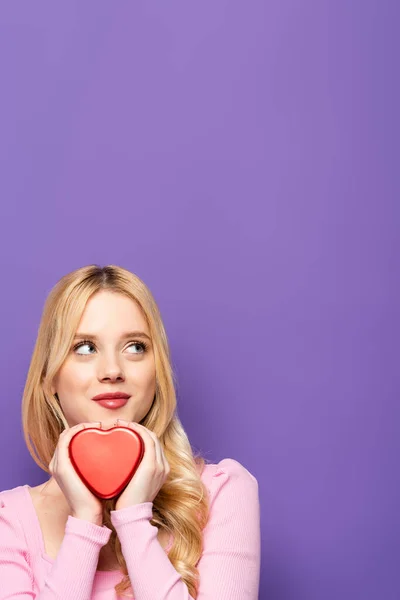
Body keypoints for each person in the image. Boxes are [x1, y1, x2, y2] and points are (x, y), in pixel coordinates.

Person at [0, 264, 261, 599]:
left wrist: (133, 519)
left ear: (157, 370)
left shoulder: (222, 493)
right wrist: (85, 522)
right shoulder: (10, 522)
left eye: (135, 347)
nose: (112, 370)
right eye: (85, 347)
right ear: (49, 377)